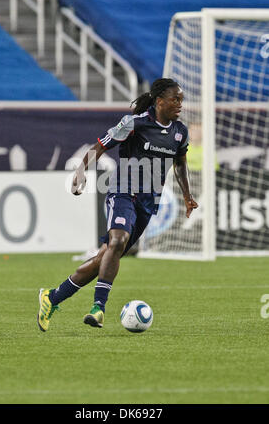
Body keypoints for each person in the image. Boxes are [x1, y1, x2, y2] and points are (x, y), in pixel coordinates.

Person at [37, 78, 198, 332]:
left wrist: (188, 196)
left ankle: (52, 298)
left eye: (181, 99)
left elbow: (180, 164)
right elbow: (101, 145)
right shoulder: (134, 123)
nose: (180, 104)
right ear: (159, 101)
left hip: (148, 202)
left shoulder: (180, 131)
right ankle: (98, 308)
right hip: (122, 192)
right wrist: (81, 171)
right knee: (118, 240)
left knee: (105, 257)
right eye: (175, 99)